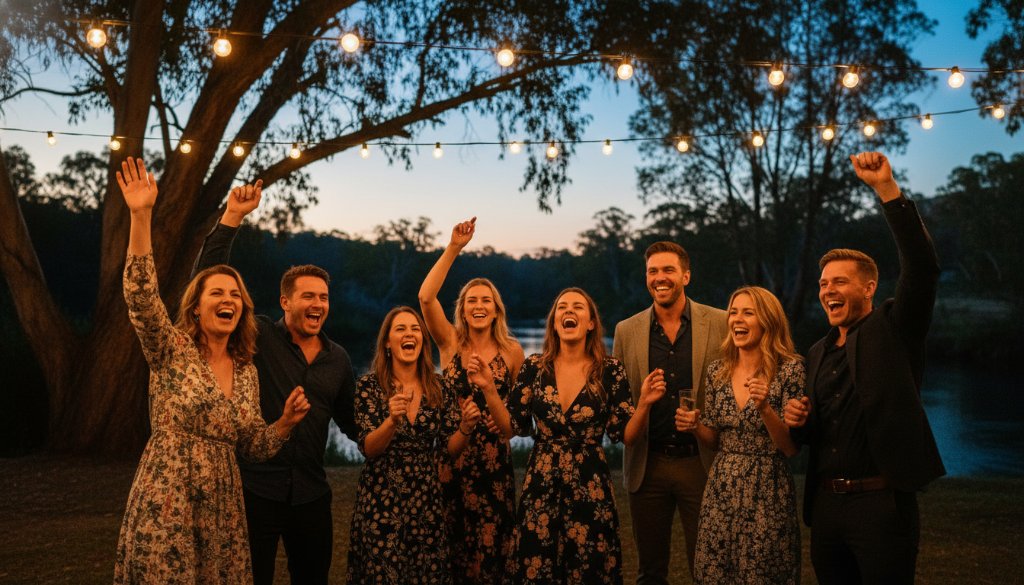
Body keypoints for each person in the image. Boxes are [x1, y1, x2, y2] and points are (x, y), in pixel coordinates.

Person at [114, 157, 310, 584]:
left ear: (242, 310)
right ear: (197, 307)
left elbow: (253, 445)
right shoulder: (171, 350)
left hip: (223, 504)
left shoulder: (246, 372)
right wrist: (141, 214)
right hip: (168, 492)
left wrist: (285, 423)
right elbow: (141, 296)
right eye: (217, 292)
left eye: (235, 295)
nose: (229, 299)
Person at [784, 151, 945, 585]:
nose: (826, 290)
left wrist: (886, 190)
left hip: (882, 506)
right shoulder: (815, 352)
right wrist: (797, 420)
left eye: (839, 281)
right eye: (822, 284)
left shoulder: (895, 328)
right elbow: (811, 436)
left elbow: (923, 267)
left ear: (869, 287)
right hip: (827, 509)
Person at [192, 182, 357, 585]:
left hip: (312, 496)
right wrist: (232, 217)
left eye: (323, 297)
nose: (318, 304)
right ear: (285, 302)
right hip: (254, 492)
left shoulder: (339, 360)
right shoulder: (259, 337)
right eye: (308, 297)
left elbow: (355, 426)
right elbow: (207, 279)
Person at [480, 287, 666, 585]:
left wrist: (643, 403)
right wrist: (489, 389)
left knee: (589, 568)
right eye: (562, 307)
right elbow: (510, 427)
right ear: (554, 322)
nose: (568, 311)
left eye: (578, 307)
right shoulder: (534, 367)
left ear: (591, 322)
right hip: (541, 486)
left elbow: (626, 435)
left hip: (590, 487)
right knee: (536, 568)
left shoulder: (610, 370)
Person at [611, 241, 728, 582]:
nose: (659, 278)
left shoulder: (720, 322)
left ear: (685, 276)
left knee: (707, 567)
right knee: (649, 571)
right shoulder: (626, 330)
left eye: (668, 270)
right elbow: (620, 398)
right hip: (648, 465)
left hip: (702, 462)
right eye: (653, 271)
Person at [418, 217, 524, 584]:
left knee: (493, 556)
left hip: (494, 464)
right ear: (462, 309)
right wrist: (453, 249)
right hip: (452, 458)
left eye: (486, 301)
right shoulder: (449, 343)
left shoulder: (513, 352)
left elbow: (517, 418)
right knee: (452, 554)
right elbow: (426, 297)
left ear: (496, 309)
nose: (479, 306)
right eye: (471, 301)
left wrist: (499, 412)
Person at [676, 286, 804, 584]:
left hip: (768, 488)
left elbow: (789, 448)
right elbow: (715, 440)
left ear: (768, 320)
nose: (736, 319)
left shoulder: (790, 370)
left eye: (748, 312)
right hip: (721, 488)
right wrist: (696, 426)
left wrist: (764, 408)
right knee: (714, 572)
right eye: (733, 312)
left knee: (763, 572)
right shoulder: (717, 371)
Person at [347, 306, 481, 584]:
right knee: (382, 574)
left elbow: (448, 449)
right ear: (387, 342)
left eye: (415, 329)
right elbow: (369, 449)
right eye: (400, 329)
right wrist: (391, 421)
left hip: (426, 499)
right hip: (381, 498)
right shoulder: (369, 387)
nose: (409, 334)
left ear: (422, 341)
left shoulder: (439, 387)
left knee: (426, 574)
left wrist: (466, 428)